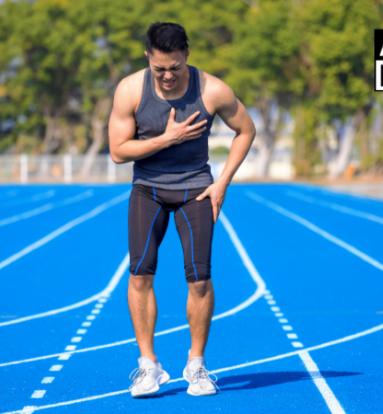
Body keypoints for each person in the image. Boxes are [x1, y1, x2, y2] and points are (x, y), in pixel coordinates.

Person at [108, 21, 256, 398]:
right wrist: (166, 138)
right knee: (140, 274)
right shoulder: (129, 90)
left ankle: (197, 365)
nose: (168, 75)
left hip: (196, 188)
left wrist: (222, 183)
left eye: (175, 67)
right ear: (148, 58)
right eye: (159, 69)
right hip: (148, 189)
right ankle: (149, 366)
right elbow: (118, 150)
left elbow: (247, 130)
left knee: (200, 279)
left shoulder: (212, 89)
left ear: (187, 55)